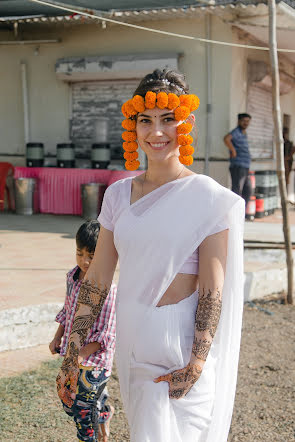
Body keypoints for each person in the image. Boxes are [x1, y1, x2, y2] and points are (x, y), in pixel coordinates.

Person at [56, 69, 245, 442]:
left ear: (187, 122)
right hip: (135, 353)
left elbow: (212, 289)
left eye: (168, 120)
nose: (156, 133)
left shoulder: (209, 198)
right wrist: (71, 352)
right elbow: (96, 279)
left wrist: (197, 364)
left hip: (182, 359)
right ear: (133, 126)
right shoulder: (117, 195)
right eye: (146, 121)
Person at [49, 220, 116, 442]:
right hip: (72, 356)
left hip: (95, 361)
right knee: (67, 399)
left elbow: (105, 334)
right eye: (79, 253)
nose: (84, 261)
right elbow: (67, 310)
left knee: (81, 411)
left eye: (91, 255)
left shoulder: (107, 289)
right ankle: (104, 412)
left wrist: (81, 355)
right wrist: (57, 337)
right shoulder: (73, 277)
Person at [224, 113, 252, 206]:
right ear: (239, 121)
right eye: (244, 121)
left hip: (245, 166)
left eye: (247, 121)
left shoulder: (244, 133)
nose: (246, 123)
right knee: (237, 190)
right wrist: (233, 151)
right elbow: (226, 139)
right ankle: (233, 212)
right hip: (238, 165)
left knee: (247, 190)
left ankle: (241, 213)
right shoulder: (236, 132)